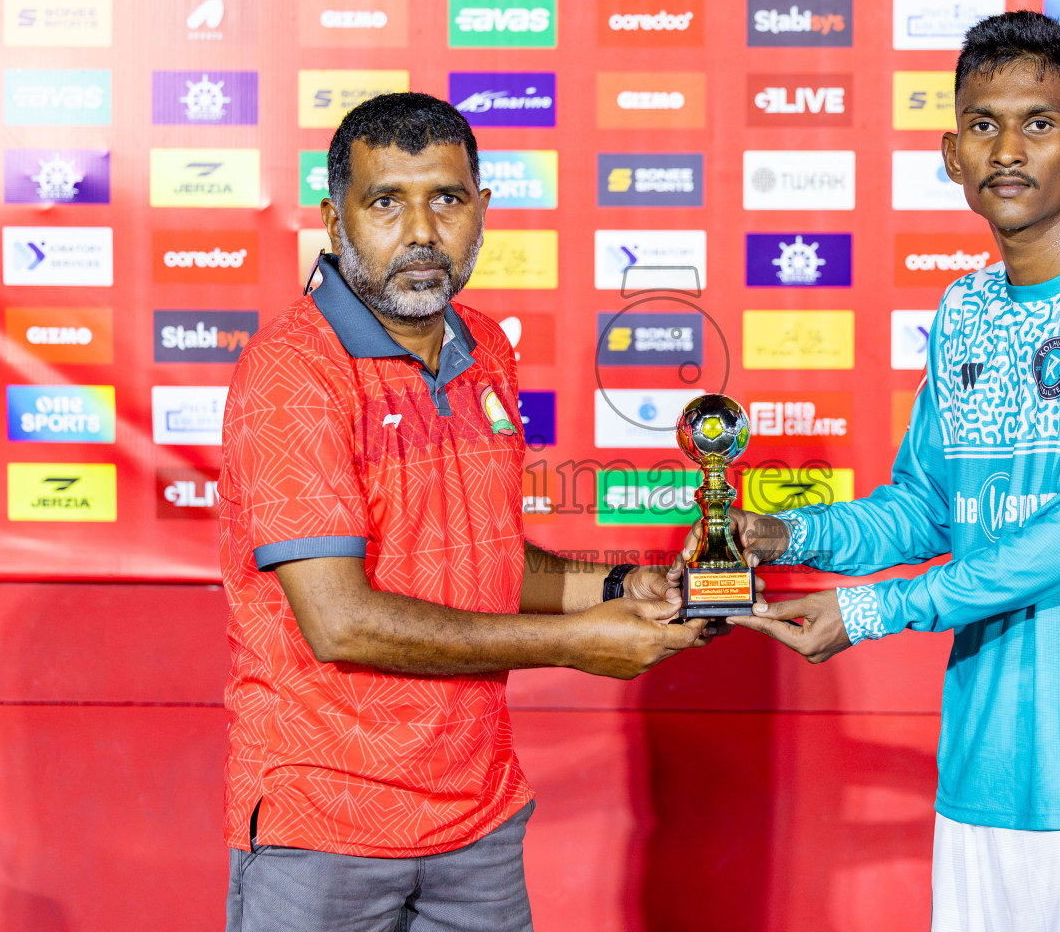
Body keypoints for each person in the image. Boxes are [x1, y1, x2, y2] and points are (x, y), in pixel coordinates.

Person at [677, 11, 1060, 931]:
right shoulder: (963, 311)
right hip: (977, 774)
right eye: (983, 124)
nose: (1009, 150)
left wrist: (876, 610)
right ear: (953, 155)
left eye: (1039, 124)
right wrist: (778, 534)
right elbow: (924, 506)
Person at [219, 92, 708, 932]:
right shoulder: (293, 370)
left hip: (478, 822)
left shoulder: (486, 347)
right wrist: (575, 644)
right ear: (334, 222)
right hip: (325, 829)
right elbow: (340, 621)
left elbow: (485, 562)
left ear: (480, 209)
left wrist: (621, 587)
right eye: (386, 203)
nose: (421, 232)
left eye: (446, 199)